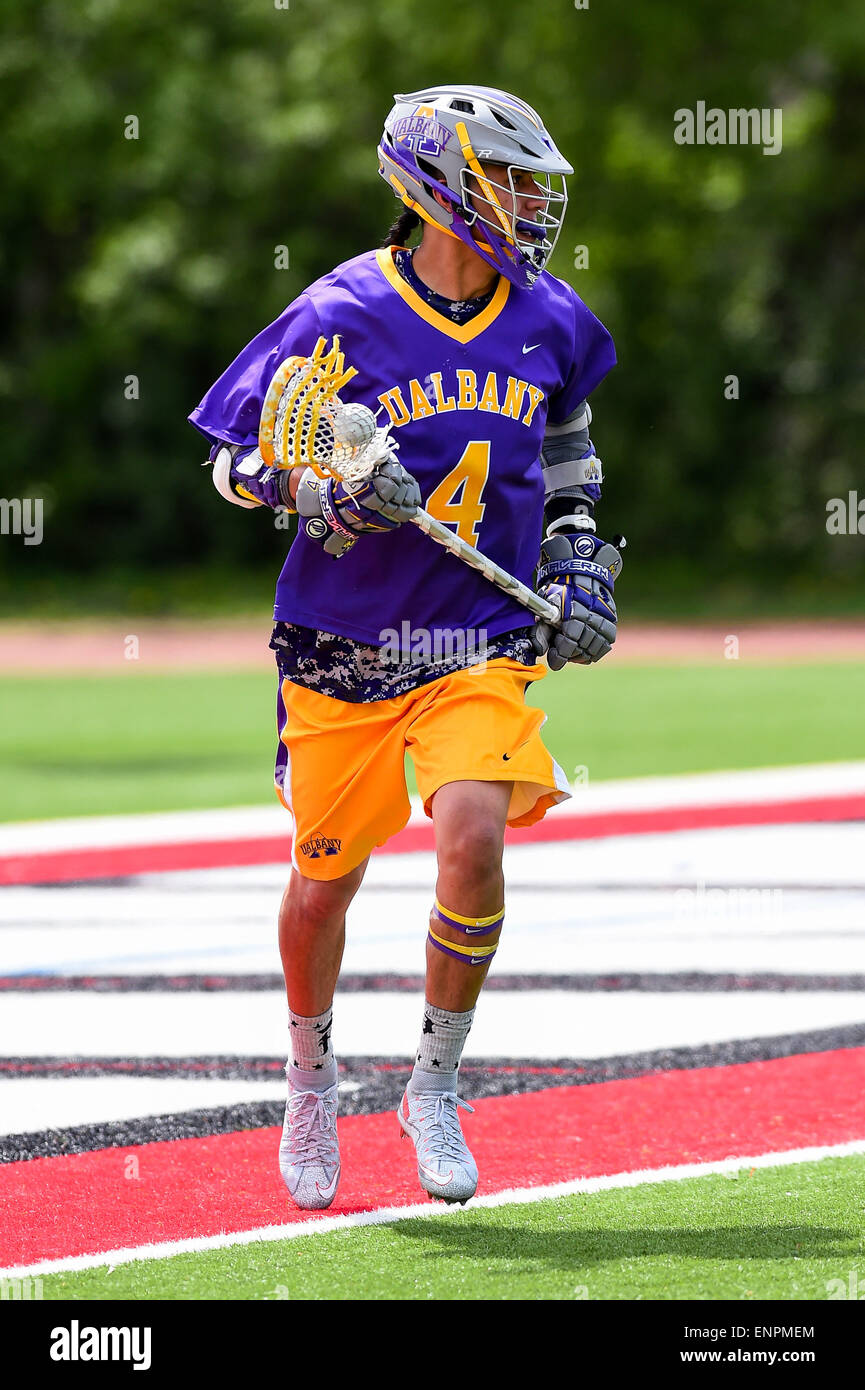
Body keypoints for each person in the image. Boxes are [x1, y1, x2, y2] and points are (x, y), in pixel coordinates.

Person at [188, 83, 621, 1210]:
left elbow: (567, 445)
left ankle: (433, 1082)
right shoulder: (340, 313)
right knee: (321, 887)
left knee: (474, 836)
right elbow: (235, 462)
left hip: (477, 640)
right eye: (513, 181)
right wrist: (319, 483)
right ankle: (310, 1073)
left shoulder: (548, 317)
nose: (532, 207)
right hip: (343, 647)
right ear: (446, 187)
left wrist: (575, 557)